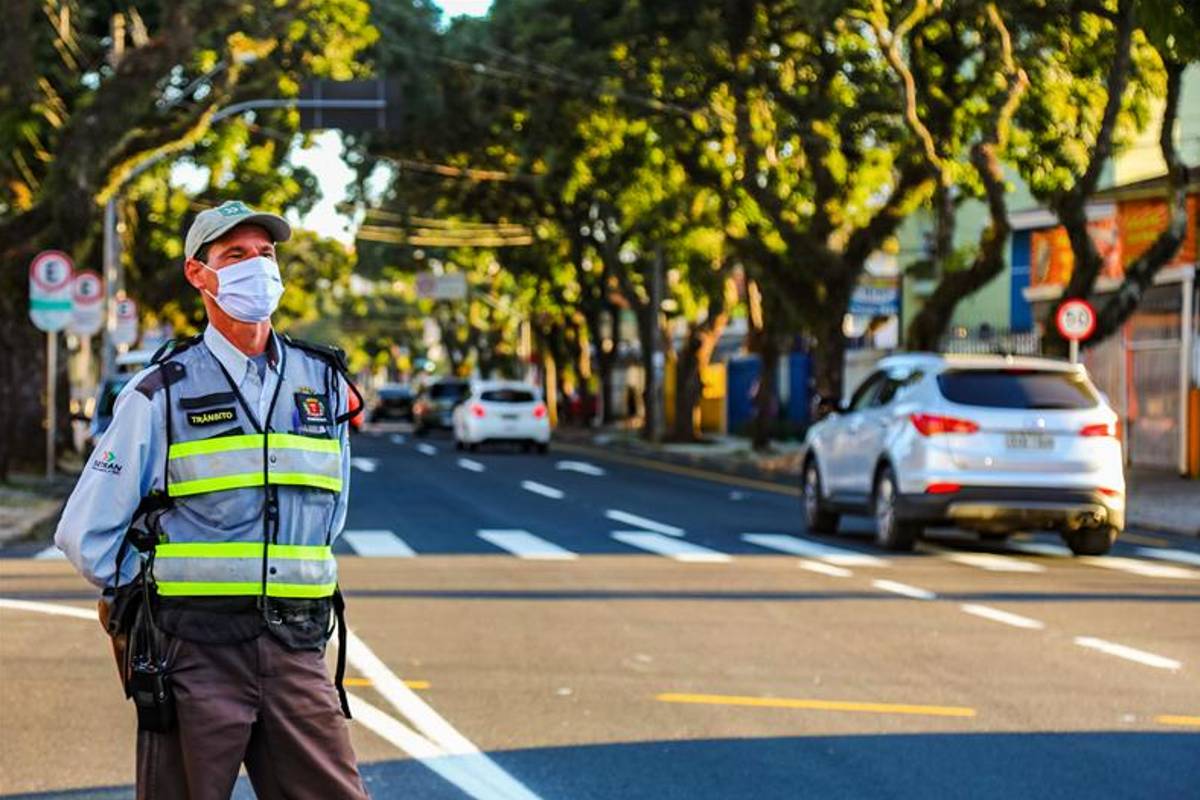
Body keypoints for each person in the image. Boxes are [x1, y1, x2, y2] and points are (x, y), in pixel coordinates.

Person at [55, 200, 368, 799]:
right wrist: (144, 596)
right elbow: (84, 532)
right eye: (235, 256)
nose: (257, 267)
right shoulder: (161, 392)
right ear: (199, 274)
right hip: (192, 651)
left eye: (265, 255)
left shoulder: (323, 383)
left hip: (297, 647)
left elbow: (330, 513)